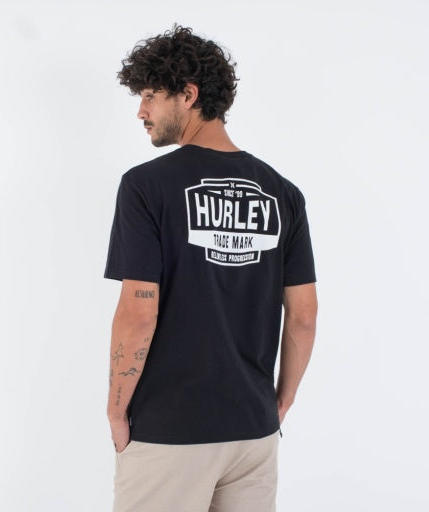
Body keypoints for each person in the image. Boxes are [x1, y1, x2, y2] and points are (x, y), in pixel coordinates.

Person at [103, 24, 318, 512]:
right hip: (253, 432)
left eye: (150, 96)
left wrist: (116, 411)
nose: (141, 111)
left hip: (170, 432)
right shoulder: (284, 193)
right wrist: (278, 404)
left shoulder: (145, 187)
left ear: (189, 95)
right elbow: (304, 316)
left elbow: (138, 313)